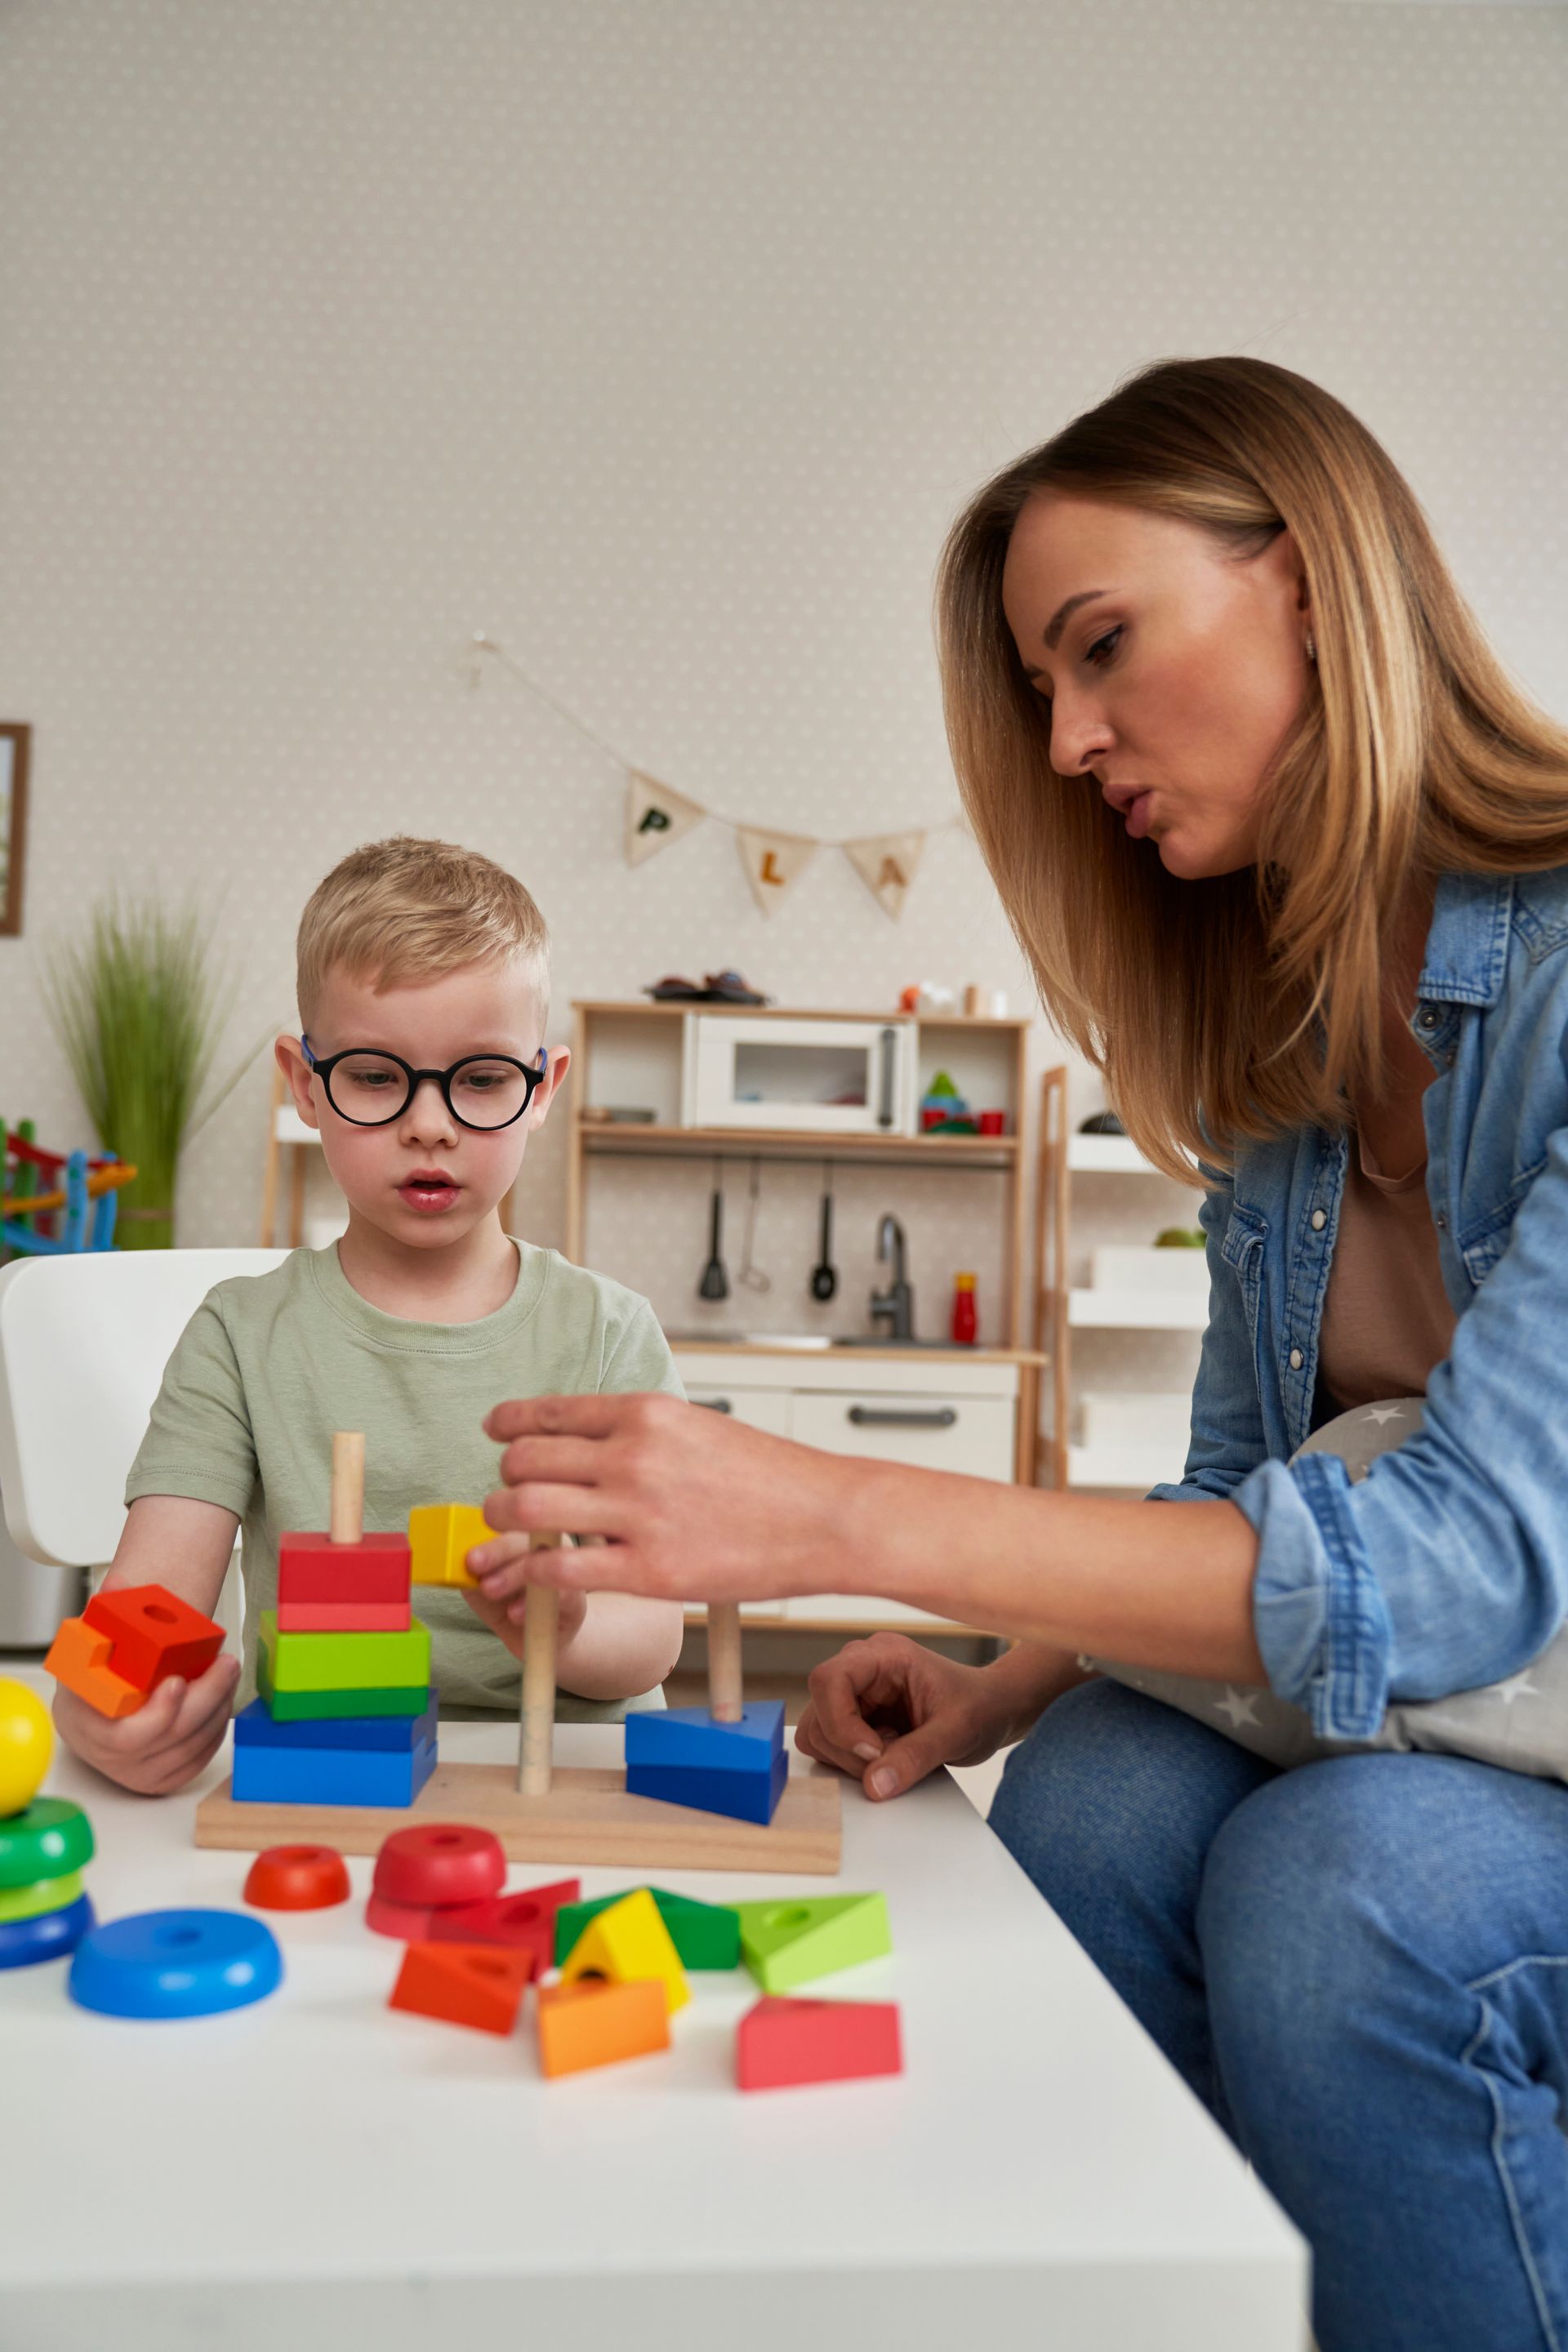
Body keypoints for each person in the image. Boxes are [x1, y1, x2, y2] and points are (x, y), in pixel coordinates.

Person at [475, 359, 1568, 2352]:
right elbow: (1251, 1504)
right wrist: (995, 1685)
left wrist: (826, 1513)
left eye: (1100, 648)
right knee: (1091, 1798)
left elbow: (1456, 1568)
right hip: (1464, 1713)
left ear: (1314, 577)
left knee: (1347, 1887)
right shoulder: (1286, 1056)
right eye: (1045, 691)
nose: (1068, 742)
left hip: (1503, 1729)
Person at [52, 834, 684, 1795]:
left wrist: (573, 1624)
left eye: (479, 1080)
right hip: (330, 1763)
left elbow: (654, 1638)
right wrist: (96, 1714)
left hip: (564, 1772)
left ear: (543, 1089)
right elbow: (140, 1610)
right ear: (305, 1084)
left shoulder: (608, 1334)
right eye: (378, 1077)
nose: (428, 1123)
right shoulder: (239, 1335)